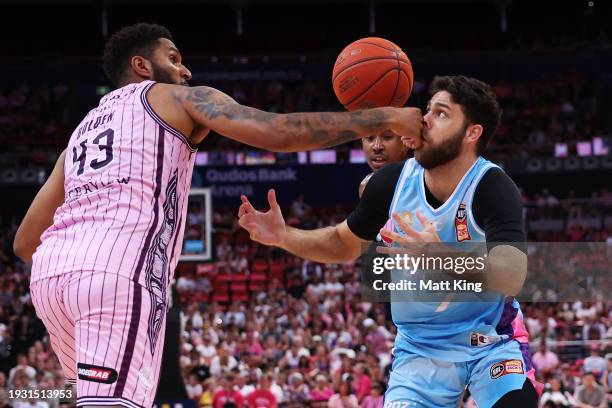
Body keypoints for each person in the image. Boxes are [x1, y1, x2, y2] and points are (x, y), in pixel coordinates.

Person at [12, 23, 422, 408]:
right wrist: (383, 116)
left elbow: (25, 242)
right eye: (173, 58)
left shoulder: (80, 134)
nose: (185, 69)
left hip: (49, 282)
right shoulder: (175, 98)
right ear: (141, 65)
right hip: (115, 275)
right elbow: (277, 131)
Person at [238, 75, 539, 407]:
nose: (424, 120)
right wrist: (284, 236)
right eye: (427, 111)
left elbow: (512, 275)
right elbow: (342, 243)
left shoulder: (492, 186)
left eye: (440, 114)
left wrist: (440, 257)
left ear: (472, 133)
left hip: (490, 342)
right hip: (421, 349)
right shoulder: (390, 183)